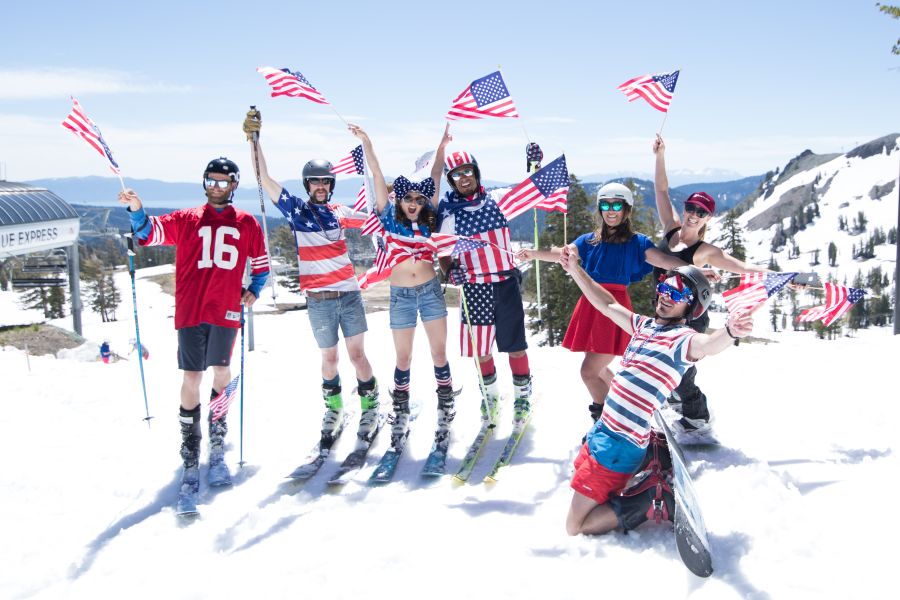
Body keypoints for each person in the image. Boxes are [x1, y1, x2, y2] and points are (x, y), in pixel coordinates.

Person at [558, 252, 754, 536]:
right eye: (664, 286)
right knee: (578, 477)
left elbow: (708, 345)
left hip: (618, 446)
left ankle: (647, 501)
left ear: (692, 306)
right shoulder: (644, 326)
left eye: (678, 292)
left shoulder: (682, 341)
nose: (666, 295)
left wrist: (730, 331)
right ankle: (636, 477)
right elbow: (607, 303)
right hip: (603, 432)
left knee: (575, 527)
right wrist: (575, 269)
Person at [118, 157, 269, 483]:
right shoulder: (187, 219)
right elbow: (148, 233)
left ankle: (217, 441)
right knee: (191, 376)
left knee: (222, 371)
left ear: (233, 185)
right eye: (210, 181)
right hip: (191, 310)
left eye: (222, 182)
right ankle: (190, 445)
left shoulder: (247, 223)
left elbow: (261, 264)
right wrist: (136, 209)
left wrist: (254, 288)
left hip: (226, 310)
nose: (215, 187)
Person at [242, 110, 379, 447]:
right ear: (308, 185)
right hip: (318, 299)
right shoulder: (296, 210)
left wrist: (369, 149)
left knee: (358, 356)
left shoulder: (340, 212)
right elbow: (263, 178)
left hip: (348, 294)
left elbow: (377, 215)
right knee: (329, 359)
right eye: (316, 182)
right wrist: (253, 140)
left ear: (331, 186)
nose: (321, 187)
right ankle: (333, 409)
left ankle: (370, 404)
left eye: (326, 182)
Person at [517, 182, 689, 425]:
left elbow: (663, 260)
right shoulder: (589, 241)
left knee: (589, 371)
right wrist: (533, 254)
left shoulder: (637, 243)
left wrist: (693, 270)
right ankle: (625, 405)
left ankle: (608, 421)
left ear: (626, 209)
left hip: (614, 307)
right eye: (605, 205)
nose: (611, 210)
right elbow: (562, 254)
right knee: (598, 369)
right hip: (591, 303)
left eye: (616, 205)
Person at [653, 134, 768, 441]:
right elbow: (661, 190)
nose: (693, 214)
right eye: (691, 207)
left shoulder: (705, 250)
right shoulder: (671, 230)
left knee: (681, 365)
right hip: (668, 308)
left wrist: (780, 276)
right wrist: (660, 155)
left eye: (701, 212)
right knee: (665, 360)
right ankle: (678, 398)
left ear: (708, 218)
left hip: (690, 315)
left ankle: (698, 417)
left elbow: (742, 267)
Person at [348, 124, 456, 448]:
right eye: (407, 197)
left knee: (439, 353)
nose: (413, 202)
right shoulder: (389, 217)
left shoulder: (430, 218)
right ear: (400, 198)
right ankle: (400, 411)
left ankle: (446, 403)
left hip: (429, 290)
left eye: (418, 198)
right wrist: (367, 140)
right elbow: (377, 174)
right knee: (404, 358)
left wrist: (442, 145)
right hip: (401, 296)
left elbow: (436, 173)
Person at [430, 138, 532, 426]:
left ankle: (523, 395)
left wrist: (533, 163)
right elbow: (443, 252)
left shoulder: (496, 199)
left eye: (467, 171)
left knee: (515, 345)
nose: (463, 178)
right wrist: (450, 271)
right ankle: (490, 396)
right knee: (481, 349)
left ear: (475, 171)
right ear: (451, 180)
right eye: (456, 175)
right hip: (474, 287)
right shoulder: (449, 214)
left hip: (504, 282)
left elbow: (529, 191)